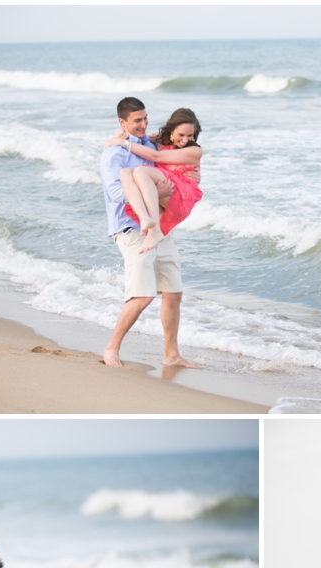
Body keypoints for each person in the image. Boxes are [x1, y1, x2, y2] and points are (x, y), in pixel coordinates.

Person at [100, 96, 199, 369]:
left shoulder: (146, 143)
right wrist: (156, 191)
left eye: (145, 118)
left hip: (161, 225)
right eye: (137, 121)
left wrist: (188, 176)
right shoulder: (114, 154)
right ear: (123, 123)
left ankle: (171, 354)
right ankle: (111, 349)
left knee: (173, 291)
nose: (143, 124)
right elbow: (117, 193)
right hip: (131, 228)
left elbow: (167, 151)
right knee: (143, 295)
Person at [104, 107, 203, 254]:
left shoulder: (195, 150)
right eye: (181, 135)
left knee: (140, 171)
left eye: (190, 136)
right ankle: (145, 218)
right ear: (171, 131)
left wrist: (121, 143)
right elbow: (137, 137)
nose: (185, 140)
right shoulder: (161, 139)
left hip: (182, 195)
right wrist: (119, 133)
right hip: (167, 191)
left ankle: (154, 230)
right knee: (125, 173)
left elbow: (156, 157)